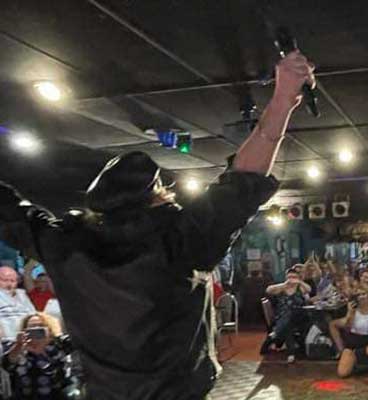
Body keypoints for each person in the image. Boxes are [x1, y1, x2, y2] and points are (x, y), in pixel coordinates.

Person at [0, 50, 315, 399]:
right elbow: (244, 179)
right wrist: (284, 98)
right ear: (158, 196)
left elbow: (9, 211)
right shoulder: (179, 238)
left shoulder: (63, 244)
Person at [3, 313, 71, 399]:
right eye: (32, 326)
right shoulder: (17, 347)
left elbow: (58, 376)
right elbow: (7, 364)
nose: (36, 329)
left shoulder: (59, 345)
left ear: (49, 329)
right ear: (25, 330)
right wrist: (19, 345)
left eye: (41, 325)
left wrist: (42, 351)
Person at [328, 284, 368, 378]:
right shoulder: (353, 311)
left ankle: (363, 362)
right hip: (353, 345)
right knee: (342, 373)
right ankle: (354, 361)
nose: (362, 297)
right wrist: (350, 313)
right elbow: (347, 328)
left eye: (364, 294)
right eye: (359, 295)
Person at [261, 266, 311, 363]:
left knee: (290, 317)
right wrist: (284, 284)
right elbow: (268, 290)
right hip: (282, 316)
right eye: (289, 277)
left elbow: (309, 290)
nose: (291, 279)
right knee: (288, 324)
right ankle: (291, 354)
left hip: (299, 316)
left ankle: (275, 333)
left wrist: (299, 282)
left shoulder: (300, 287)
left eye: (294, 277)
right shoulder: (282, 288)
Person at [0, 266, 35, 338]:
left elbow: (33, 315)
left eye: (12, 281)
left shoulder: (22, 294)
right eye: (5, 280)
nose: (9, 284)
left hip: (27, 339)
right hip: (6, 341)